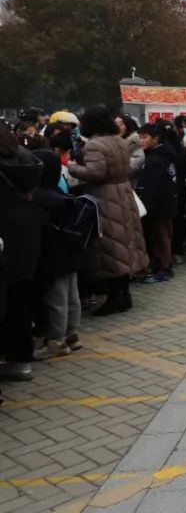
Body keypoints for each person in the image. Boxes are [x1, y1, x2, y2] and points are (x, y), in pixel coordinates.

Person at [66, 106, 149, 317]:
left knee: (109, 247)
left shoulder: (94, 145)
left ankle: (115, 298)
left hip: (105, 197)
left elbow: (96, 172)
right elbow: (129, 168)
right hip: (123, 193)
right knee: (124, 243)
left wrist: (72, 167)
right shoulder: (120, 141)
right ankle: (124, 294)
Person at [0, 123, 45, 381]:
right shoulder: (23, 157)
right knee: (20, 300)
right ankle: (22, 360)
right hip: (26, 233)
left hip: (5, 236)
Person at [30, 149, 84, 359]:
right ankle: (72, 335)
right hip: (70, 253)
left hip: (53, 257)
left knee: (56, 299)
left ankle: (56, 341)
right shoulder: (61, 193)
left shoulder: (39, 197)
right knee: (72, 296)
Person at [135, 123, 178, 283]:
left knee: (160, 239)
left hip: (158, 208)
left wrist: (147, 208)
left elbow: (152, 188)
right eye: (140, 137)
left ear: (156, 139)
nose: (141, 141)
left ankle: (163, 270)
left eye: (145, 137)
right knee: (163, 238)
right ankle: (162, 266)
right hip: (165, 205)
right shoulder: (164, 155)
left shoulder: (156, 160)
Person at [159, 123, 186, 265]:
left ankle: (165, 255)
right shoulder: (184, 151)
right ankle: (177, 252)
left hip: (163, 193)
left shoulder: (159, 152)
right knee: (179, 223)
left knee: (163, 226)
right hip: (180, 192)